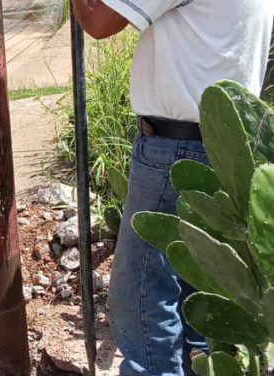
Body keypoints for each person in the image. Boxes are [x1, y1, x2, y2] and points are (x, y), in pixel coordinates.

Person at [71, 0, 273, 374]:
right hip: (228, 143)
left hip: (174, 147)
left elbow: (98, 20)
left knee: (142, 288)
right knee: (201, 283)